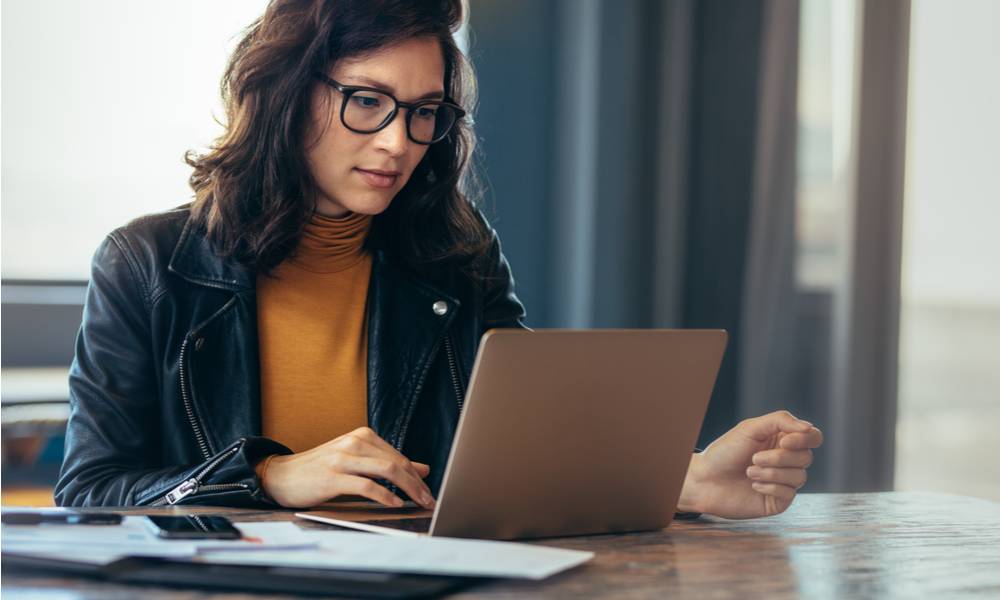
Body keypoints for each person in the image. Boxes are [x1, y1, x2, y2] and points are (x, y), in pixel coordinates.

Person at [55, 0, 823, 519]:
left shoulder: (455, 252)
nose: (397, 141)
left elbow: (523, 452)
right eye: (367, 100)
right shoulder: (148, 265)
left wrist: (682, 480)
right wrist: (265, 478)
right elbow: (89, 493)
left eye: (424, 112)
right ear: (286, 92)